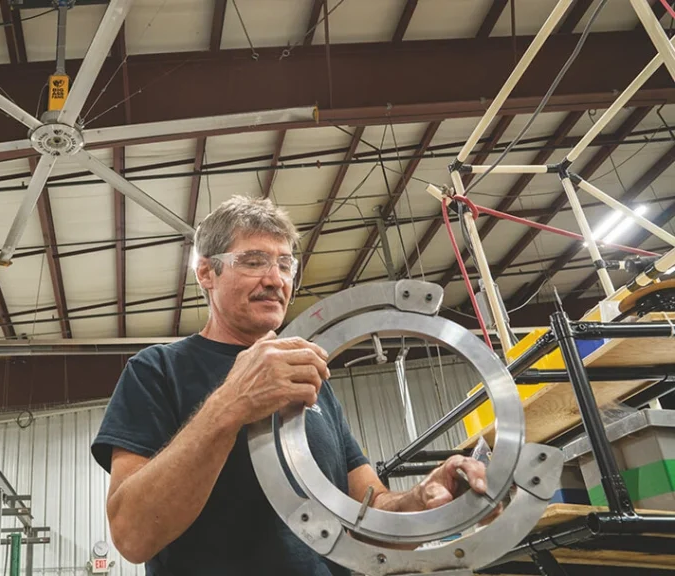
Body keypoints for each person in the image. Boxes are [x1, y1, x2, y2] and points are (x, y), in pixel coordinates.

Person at [91, 195, 492, 575]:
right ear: (206, 273)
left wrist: (422, 501)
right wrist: (232, 402)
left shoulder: (311, 380)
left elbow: (366, 516)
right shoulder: (156, 370)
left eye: (285, 264)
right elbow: (133, 535)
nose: (275, 279)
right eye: (253, 261)